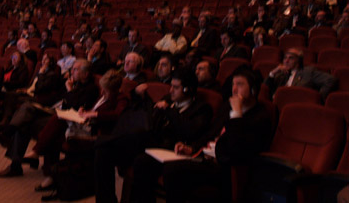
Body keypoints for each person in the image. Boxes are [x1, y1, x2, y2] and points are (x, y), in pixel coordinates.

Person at [130, 67, 271, 203]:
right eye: (233, 84)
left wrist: (237, 115)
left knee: (173, 170)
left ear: (253, 89)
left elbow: (236, 149)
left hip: (224, 167)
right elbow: (210, 133)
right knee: (142, 161)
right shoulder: (227, 107)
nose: (234, 89)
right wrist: (191, 147)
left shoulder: (260, 116)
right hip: (204, 155)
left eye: (239, 84)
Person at [94, 68, 213, 203]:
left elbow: (189, 131)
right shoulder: (168, 99)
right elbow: (151, 118)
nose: (170, 91)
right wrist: (141, 97)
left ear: (187, 89)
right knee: (103, 151)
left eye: (175, 88)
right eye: (171, 86)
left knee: (140, 158)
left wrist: (169, 111)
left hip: (169, 149)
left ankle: (102, 141)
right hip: (150, 141)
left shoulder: (202, 109)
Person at [25, 69, 128, 193]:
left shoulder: (121, 99)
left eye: (105, 90)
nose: (102, 92)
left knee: (53, 132)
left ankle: (41, 158)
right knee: (55, 126)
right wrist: (85, 111)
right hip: (85, 124)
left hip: (96, 132)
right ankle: (49, 172)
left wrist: (95, 114)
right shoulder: (103, 95)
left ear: (114, 90)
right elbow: (94, 109)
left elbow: (117, 115)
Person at [0, 59, 99, 178]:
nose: (72, 72)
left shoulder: (90, 89)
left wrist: (69, 90)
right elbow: (56, 97)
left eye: (75, 69)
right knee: (25, 113)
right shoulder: (73, 83)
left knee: (26, 115)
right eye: (72, 69)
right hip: (53, 110)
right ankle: (15, 161)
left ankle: (8, 137)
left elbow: (74, 107)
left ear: (85, 74)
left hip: (64, 119)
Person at [264, 48, 338, 101]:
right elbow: (265, 88)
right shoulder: (281, 73)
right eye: (285, 58)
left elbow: (330, 80)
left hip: (298, 104)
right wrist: (273, 73)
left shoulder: (308, 72)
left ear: (299, 60)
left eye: (291, 58)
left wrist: (317, 98)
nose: (286, 61)